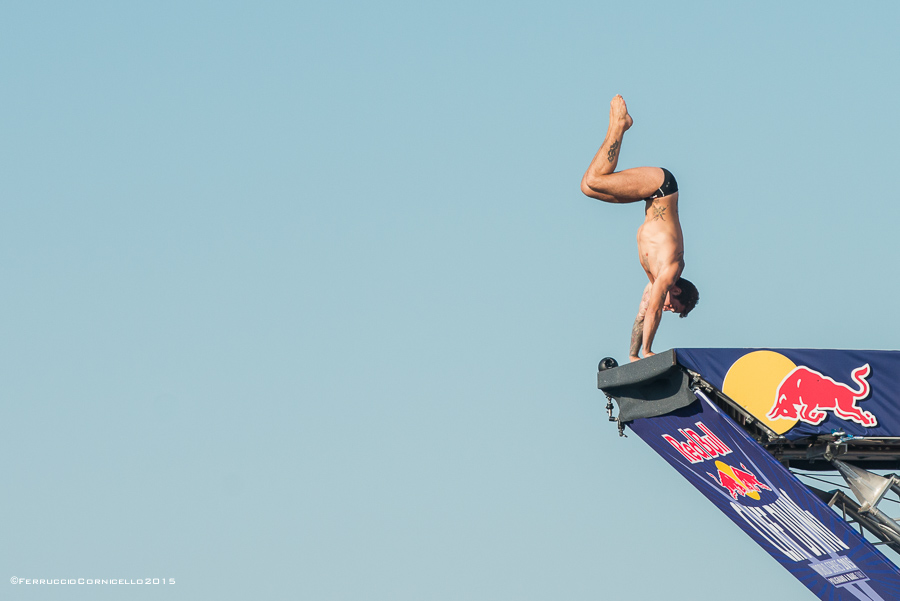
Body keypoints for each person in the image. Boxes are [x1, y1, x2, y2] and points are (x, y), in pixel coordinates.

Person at [580, 95, 699, 362]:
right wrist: (648, 351)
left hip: (651, 196)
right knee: (596, 179)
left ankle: (617, 125)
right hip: (661, 188)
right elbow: (655, 308)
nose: (668, 309)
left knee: (588, 187)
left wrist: (632, 355)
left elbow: (642, 315)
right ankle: (620, 125)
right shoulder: (671, 270)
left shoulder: (655, 282)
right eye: (674, 306)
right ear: (677, 290)